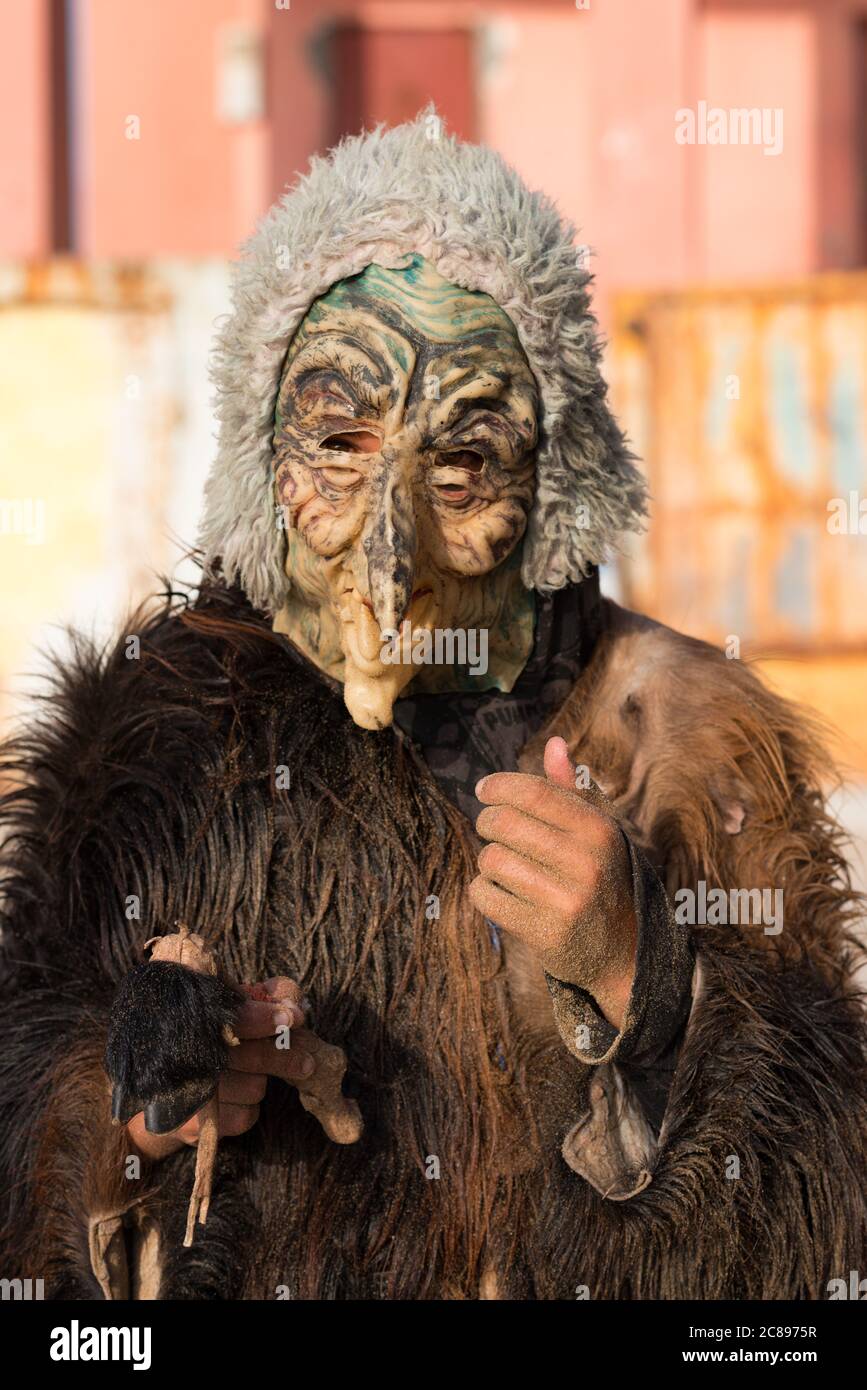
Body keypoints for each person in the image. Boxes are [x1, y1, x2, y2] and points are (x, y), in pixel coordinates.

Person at [1, 112, 864, 1300]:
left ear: (554, 483)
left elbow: (817, 1238)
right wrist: (140, 1108)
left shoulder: (676, 737)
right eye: (343, 445)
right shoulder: (156, 749)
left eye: (462, 464)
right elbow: (34, 1176)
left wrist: (649, 988)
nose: (392, 554)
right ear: (262, 459)